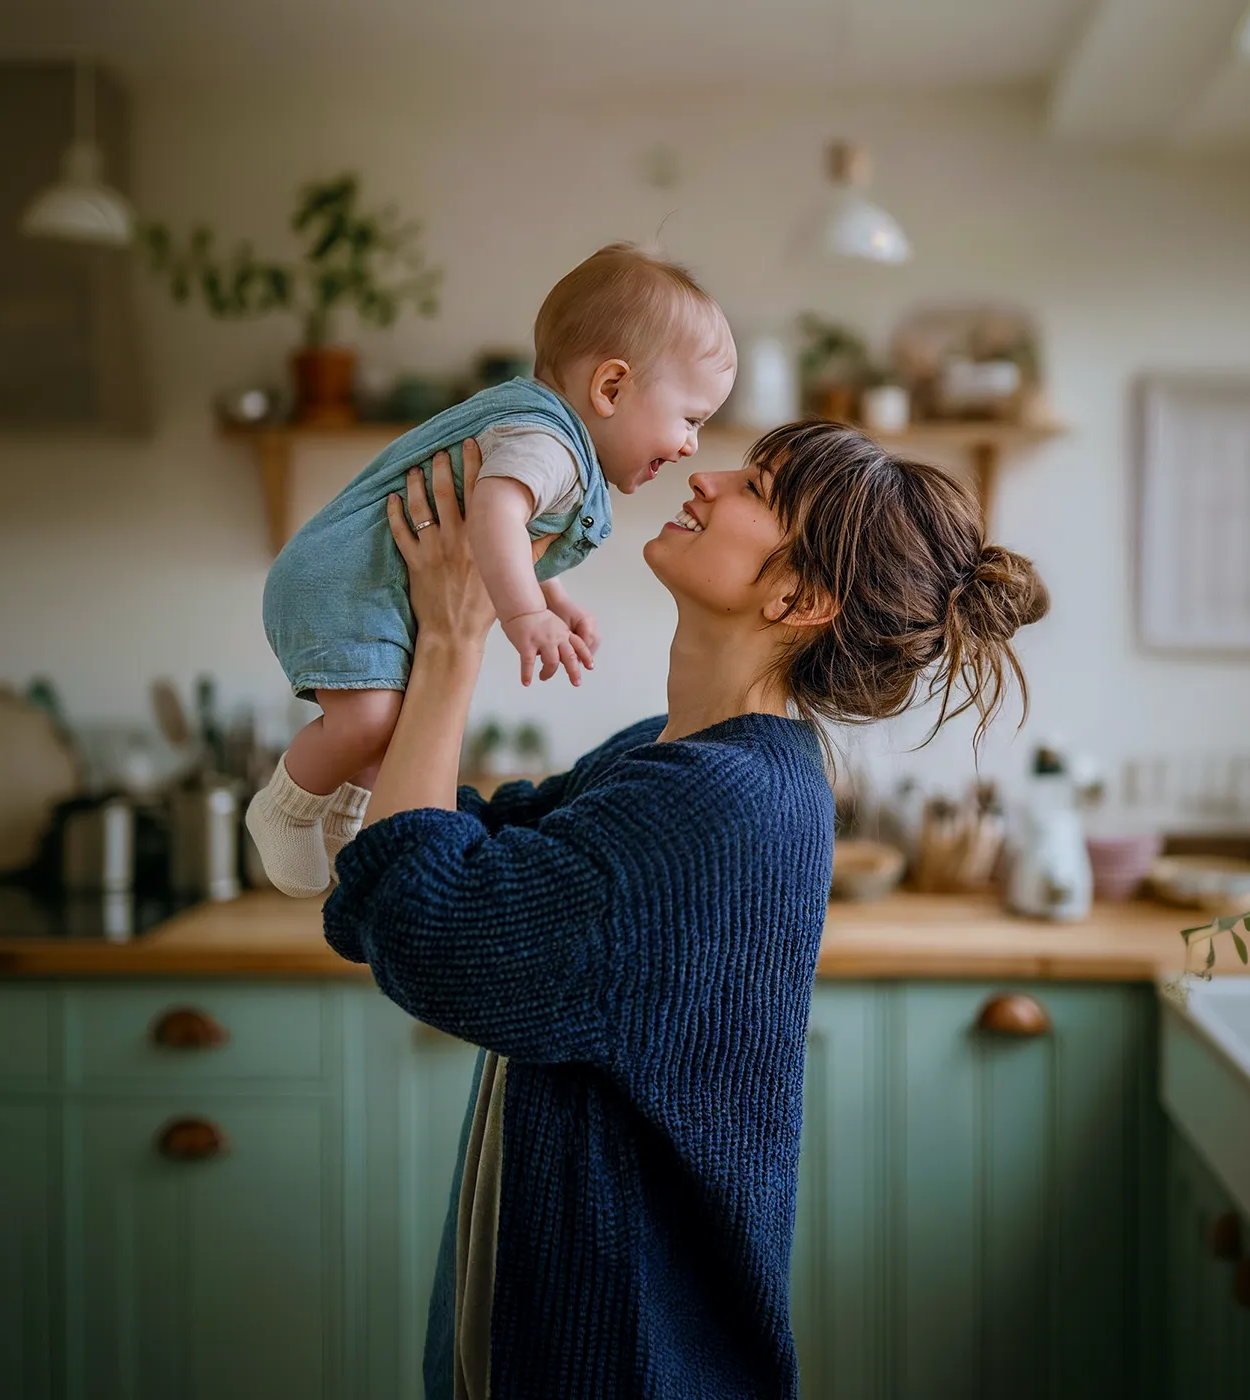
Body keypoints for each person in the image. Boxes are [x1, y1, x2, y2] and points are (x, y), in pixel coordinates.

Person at [324, 421, 1050, 1398]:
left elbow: (424, 920)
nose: (704, 477)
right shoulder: (672, 758)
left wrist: (457, 637)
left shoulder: (715, 803)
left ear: (800, 596)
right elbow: (435, 854)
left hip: (621, 1361)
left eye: (753, 486)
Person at [246, 243, 738, 897]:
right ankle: (283, 807)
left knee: (391, 724)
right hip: (344, 582)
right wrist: (525, 613)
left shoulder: (548, 436)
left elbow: (518, 531)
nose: (690, 446)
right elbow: (496, 512)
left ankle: (347, 823)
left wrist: (552, 595)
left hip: (369, 584)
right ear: (611, 387)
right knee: (368, 722)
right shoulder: (549, 443)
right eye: (689, 419)